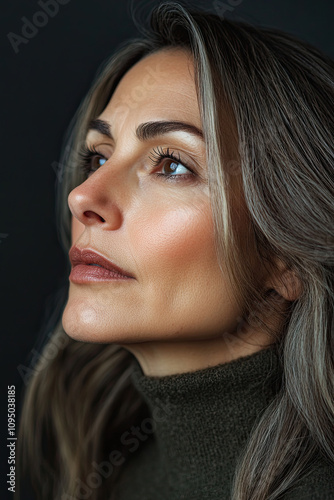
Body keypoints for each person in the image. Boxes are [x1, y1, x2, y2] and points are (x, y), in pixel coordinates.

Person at [16, 2, 334, 499]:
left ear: (286, 258)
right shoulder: (105, 473)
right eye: (98, 156)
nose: (83, 196)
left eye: (172, 165)